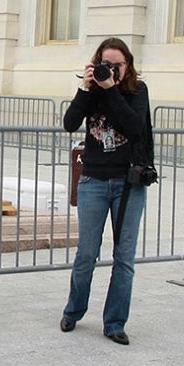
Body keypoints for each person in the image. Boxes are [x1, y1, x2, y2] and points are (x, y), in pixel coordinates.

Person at [60, 38, 151, 345]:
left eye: (117, 65)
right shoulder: (92, 92)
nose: (110, 69)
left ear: (128, 66)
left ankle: (114, 322)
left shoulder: (138, 92)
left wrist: (112, 88)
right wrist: (86, 89)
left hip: (128, 185)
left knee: (124, 257)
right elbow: (70, 124)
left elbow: (134, 126)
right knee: (87, 253)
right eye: (105, 63)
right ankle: (73, 311)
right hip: (94, 182)